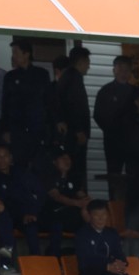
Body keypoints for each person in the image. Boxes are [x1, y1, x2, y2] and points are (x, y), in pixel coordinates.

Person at [75, 201, 137, 275]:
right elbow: (85, 261)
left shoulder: (112, 233)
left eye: (103, 214)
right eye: (96, 215)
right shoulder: (82, 234)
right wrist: (107, 267)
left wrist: (121, 263)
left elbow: (119, 254)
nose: (101, 218)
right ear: (90, 216)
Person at [2, 37, 51, 168]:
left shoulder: (41, 74)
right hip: (17, 129)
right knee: (19, 163)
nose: (13, 56)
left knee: (39, 163)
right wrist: (6, 129)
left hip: (37, 128)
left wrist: (52, 123)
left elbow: (49, 101)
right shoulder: (10, 77)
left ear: (26, 54)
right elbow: (5, 104)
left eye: (16, 52)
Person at [93, 55, 136, 194]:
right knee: (113, 175)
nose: (124, 73)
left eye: (127, 70)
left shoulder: (135, 92)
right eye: (120, 70)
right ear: (114, 71)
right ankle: (113, 204)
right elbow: (98, 115)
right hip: (113, 141)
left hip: (133, 141)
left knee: (134, 174)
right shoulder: (105, 91)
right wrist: (112, 130)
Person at [54, 45, 92, 183]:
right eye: (87, 63)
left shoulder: (67, 77)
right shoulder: (74, 78)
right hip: (74, 133)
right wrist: (79, 130)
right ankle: (76, 192)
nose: (88, 66)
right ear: (81, 62)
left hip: (70, 131)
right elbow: (74, 106)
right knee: (76, 168)